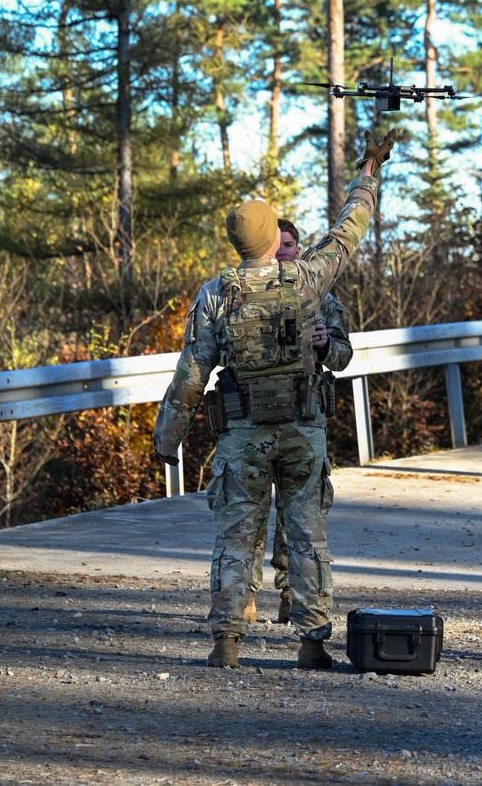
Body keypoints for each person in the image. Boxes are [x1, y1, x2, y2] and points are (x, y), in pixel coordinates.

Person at [153, 130, 396, 670]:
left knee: (237, 534)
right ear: (271, 236)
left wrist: (167, 441)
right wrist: (369, 171)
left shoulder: (217, 293)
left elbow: (191, 374)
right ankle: (312, 643)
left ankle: (228, 641)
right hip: (302, 427)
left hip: (241, 434)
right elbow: (349, 230)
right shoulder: (307, 279)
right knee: (307, 531)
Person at [244, 218, 306, 626]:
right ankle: (245, 599)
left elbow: (343, 353)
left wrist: (328, 344)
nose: (285, 252)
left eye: (291, 245)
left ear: (298, 249)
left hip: (302, 421)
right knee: (249, 518)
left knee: (295, 520)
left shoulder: (313, 293)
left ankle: (290, 594)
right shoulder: (240, 293)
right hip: (251, 425)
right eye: (278, 245)